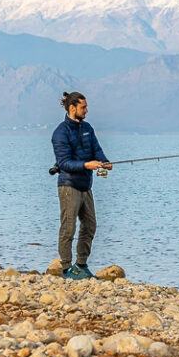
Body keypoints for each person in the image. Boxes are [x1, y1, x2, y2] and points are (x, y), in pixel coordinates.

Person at [50, 91, 112, 279]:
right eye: (83, 107)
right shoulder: (60, 133)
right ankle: (67, 269)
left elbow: (97, 150)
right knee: (68, 228)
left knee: (90, 225)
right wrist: (87, 165)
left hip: (86, 185)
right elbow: (64, 163)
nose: (87, 110)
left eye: (86, 106)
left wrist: (104, 162)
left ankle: (81, 265)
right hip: (68, 186)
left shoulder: (87, 128)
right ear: (72, 108)